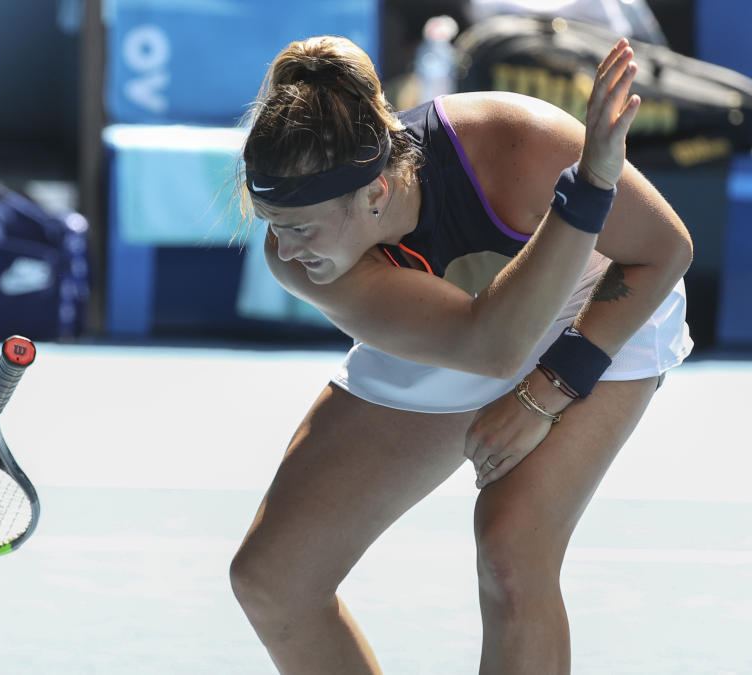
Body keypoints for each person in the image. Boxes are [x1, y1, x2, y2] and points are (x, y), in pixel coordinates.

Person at [229, 34, 693, 674]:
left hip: (603, 309)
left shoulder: (515, 143)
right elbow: (492, 347)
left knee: (511, 549)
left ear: (374, 195)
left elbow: (665, 251)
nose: (284, 245)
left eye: (302, 225)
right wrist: (587, 190)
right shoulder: (297, 261)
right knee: (274, 579)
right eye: (272, 221)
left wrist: (552, 387)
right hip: (470, 324)